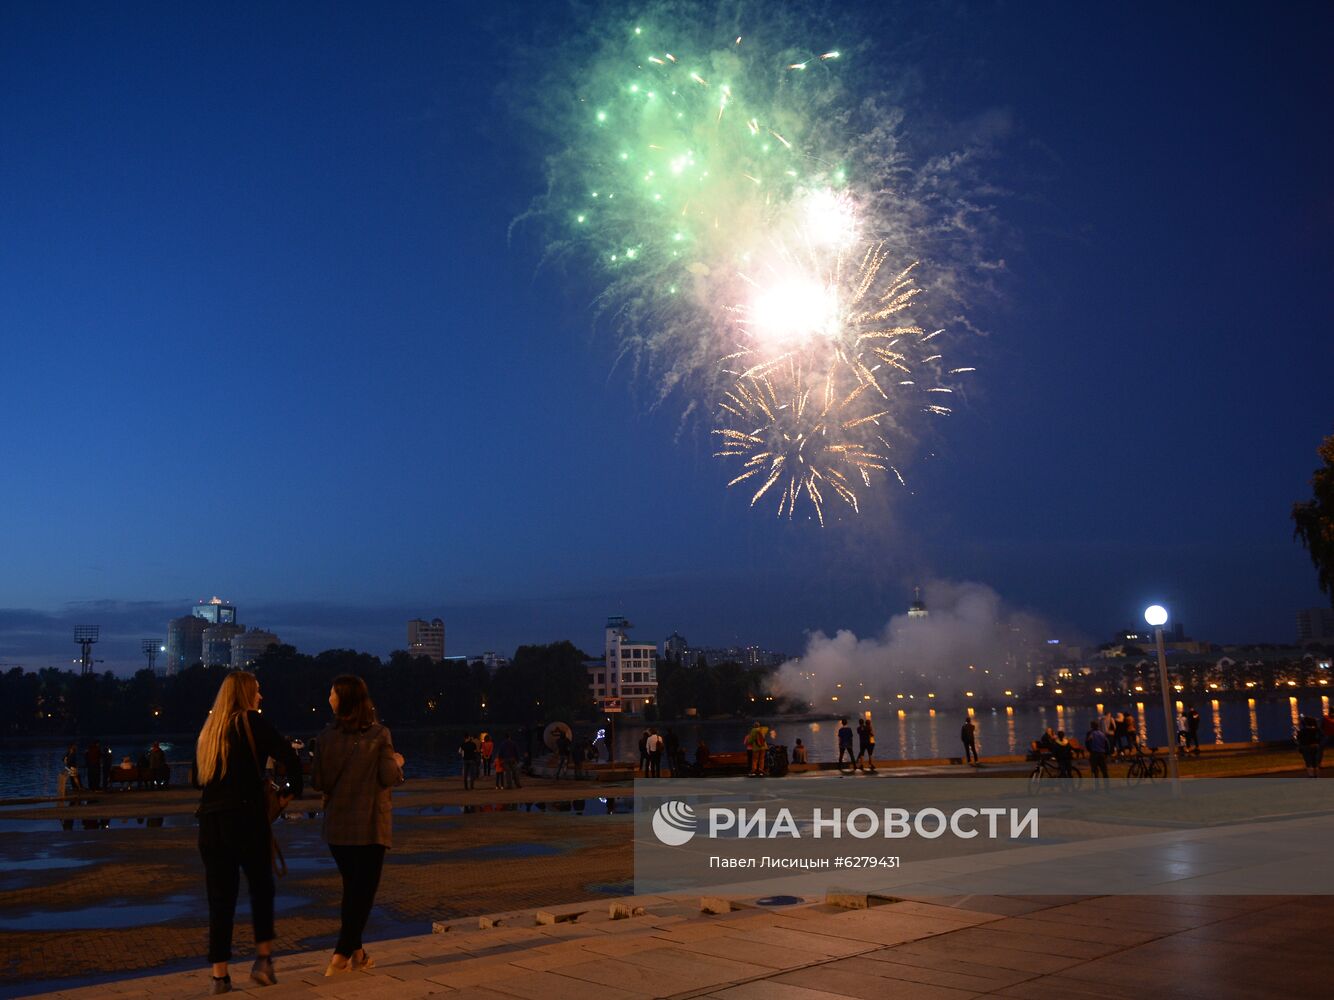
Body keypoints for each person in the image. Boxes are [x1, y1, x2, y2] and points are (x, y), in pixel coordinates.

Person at [194, 670, 301, 994]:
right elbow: (289, 756)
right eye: (257, 690)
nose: (261, 696)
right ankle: (263, 962)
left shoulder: (209, 731)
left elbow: (198, 780)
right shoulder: (251, 722)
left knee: (219, 899)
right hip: (246, 818)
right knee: (261, 889)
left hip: (211, 823)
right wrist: (289, 792)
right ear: (244, 694)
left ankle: (219, 976)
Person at [312, 675, 405, 977]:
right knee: (362, 893)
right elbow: (388, 777)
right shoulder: (380, 735)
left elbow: (319, 782)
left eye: (331, 693)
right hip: (370, 825)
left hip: (337, 827)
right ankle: (341, 954)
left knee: (353, 889)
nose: (328, 697)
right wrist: (398, 762)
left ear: (343, 700)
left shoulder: (325, 737)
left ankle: (359, 954)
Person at [1086, 720, 1111, 791]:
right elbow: (1107, 744)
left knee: (1095, 771)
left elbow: (1087, 743)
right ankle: (1107, 787)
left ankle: (1097, 787)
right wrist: (1106, 753)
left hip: (1094, 754)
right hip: (1102, 754)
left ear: (1092, 726)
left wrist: (1090, 751)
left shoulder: (1090, 734)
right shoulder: (1102, 734)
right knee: (1104, 771)